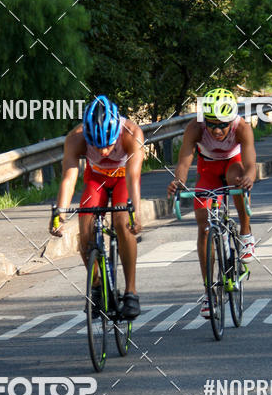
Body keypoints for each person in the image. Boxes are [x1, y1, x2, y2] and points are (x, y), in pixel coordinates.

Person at [50, 95, 144, 320]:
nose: (103, 152)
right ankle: (96, 286)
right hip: (96, 179)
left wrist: (136, 213)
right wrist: (59, 214)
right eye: (97, 146)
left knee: (123, 222)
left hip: (123, 178)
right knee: (85, 231)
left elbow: (133, 178)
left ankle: (131, 292)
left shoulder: (132, 133)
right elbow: (69, 178)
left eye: (108, 145)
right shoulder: (76, 138)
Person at [167, 88, 256, 318]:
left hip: (233, 164)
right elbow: (184, 163)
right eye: (212, 124)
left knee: (236, 179)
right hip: (207, 169)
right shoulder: (195, 128)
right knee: (204, 227)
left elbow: (250, 164)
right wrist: (178, 182)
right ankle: (209, 292)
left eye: (222, 125)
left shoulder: (242, 128)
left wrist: (249, 178)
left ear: (231, 120)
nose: (216, 130)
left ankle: (245, 233)